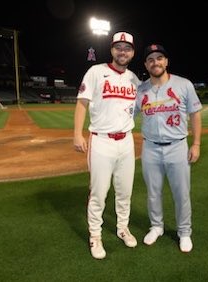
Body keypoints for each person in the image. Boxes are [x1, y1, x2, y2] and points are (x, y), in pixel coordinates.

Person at [73, 31, 141, 259]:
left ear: (132, 52)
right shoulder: (96, 71)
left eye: (127, 48)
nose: (123, 52)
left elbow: (145, 106)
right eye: (118, 47)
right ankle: (95, 235)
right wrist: (77, 134)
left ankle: (123, 227)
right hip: (101, 140)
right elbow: (82, 103)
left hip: (127, 142)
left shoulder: (134, 79)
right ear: (112, 49)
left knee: (125, 192)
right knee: (99, 193)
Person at [135, 44, 203, 253]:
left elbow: (195, 114)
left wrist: (197, 144)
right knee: (153, 192)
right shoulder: (141, 89)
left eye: (159, 58)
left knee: (181, 193)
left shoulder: (184, 84)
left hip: (177, 147)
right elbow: (128, 114)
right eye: (151, 59)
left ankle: (184, 232)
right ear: (146, 65)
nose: (156, 62)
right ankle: (156, 226)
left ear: (166, 61)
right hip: (150, 148)